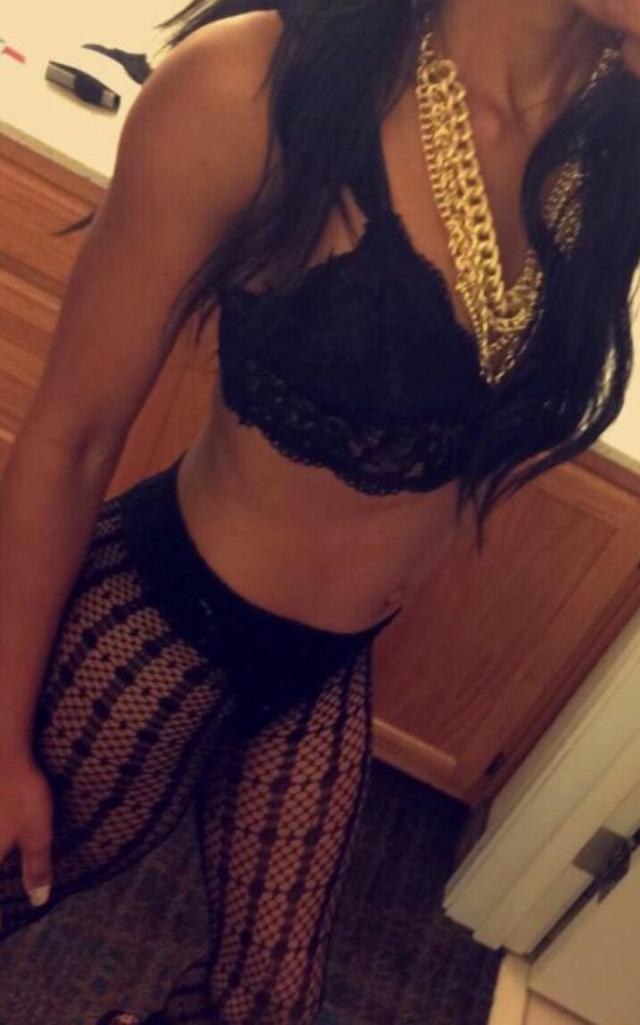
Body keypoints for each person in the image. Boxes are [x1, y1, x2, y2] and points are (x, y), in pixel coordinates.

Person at [1, 1, 639, 1023]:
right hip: (157, 638)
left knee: (264, 1002)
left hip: (324, 669)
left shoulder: (607, 139)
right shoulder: (257, 84)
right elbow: (68, 441)